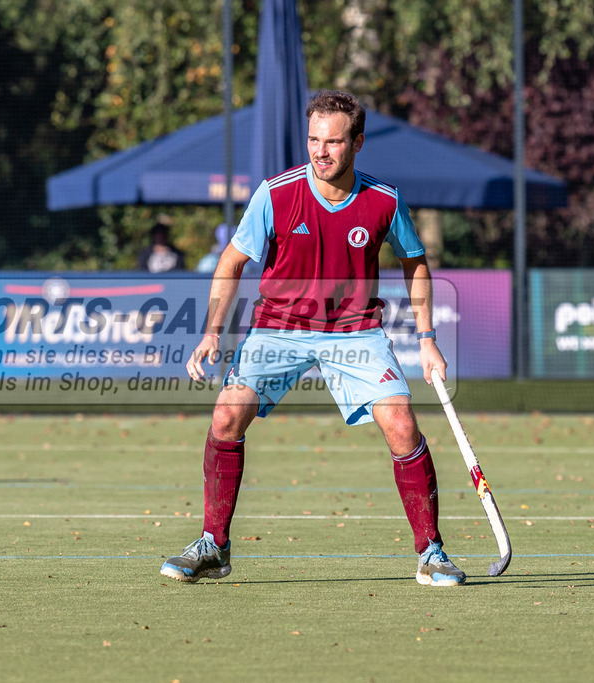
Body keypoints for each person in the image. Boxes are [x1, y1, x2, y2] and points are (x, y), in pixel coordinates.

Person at [160, 90, 465, 587]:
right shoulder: (275, 194)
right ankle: (214, 545)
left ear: (358, 143)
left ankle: (431, 553)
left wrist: (427, 338)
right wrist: (212, 332)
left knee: (403, 425)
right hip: (279, 326)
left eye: (334, 142)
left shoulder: (383, 200)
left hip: (356, 330)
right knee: (226, 413)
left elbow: (415, 261)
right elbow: (232, 261)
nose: (321, 151)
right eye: (313, 140)